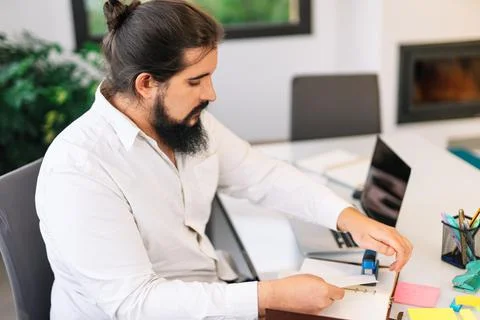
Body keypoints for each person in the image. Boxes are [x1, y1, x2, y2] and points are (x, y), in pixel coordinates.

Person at [35, 0, 413, 319]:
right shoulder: (79, 169)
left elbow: (263, 176)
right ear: (146, 84)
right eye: (196, 81)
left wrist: (349, 219)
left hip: (208, 293)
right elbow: (136, 302)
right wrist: (268, 296)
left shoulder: (182, 123)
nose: (212, 94)